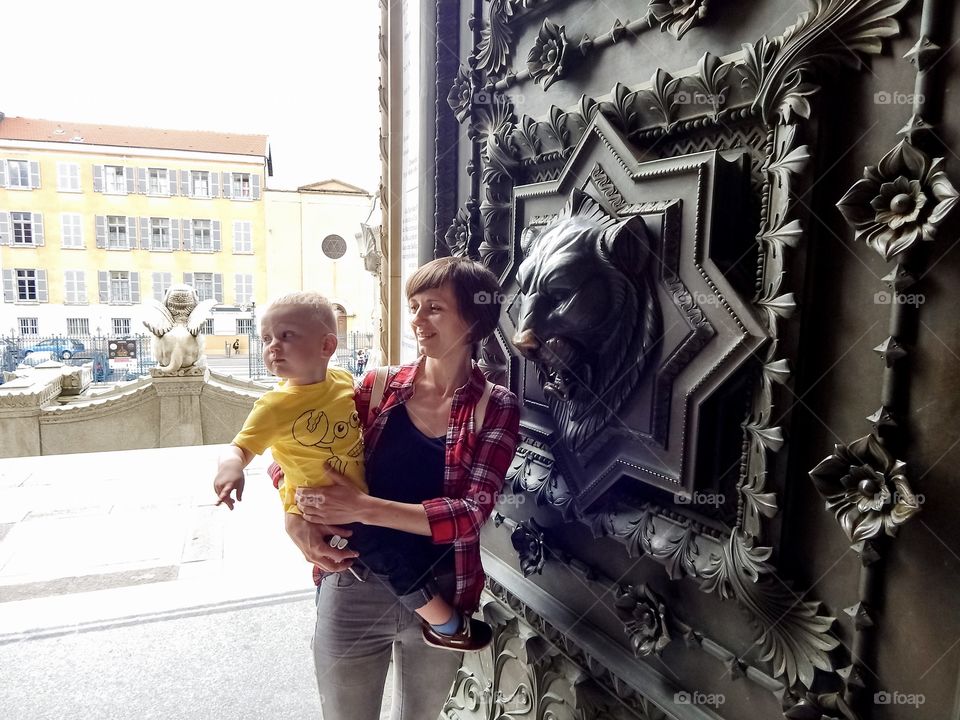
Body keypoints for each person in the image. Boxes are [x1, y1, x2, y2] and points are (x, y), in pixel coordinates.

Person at [276, 257, 520, 720]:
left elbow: (470, 513)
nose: (417, 319)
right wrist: (294, 520)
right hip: (353, 581)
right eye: (414, 306)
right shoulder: (376, 386)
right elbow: (294, 451)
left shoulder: (497, 407)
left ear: (474, 319)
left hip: (445, 587)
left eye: (434, 308)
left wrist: (362, 508)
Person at [212, 291, 480, 652]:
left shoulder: (342, 384)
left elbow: (472, 513)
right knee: (391, 560)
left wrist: (361, 505)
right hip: (336, 517)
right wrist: (251, 482)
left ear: (327, 345)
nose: (273, 347)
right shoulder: (274, 405)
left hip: (371, 510)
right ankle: (445, 622)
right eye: (266, 339)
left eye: (287, 336)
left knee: (394, 549)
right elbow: (243, 448)